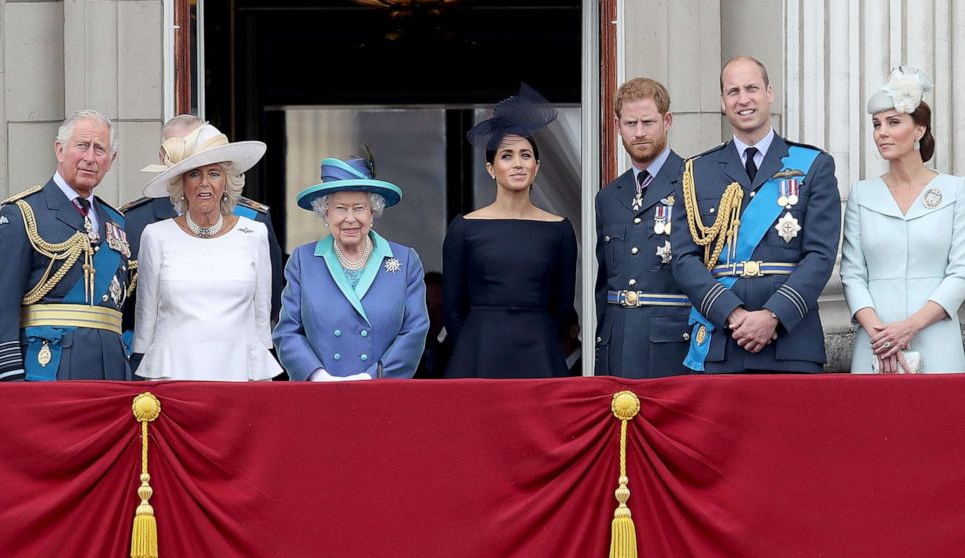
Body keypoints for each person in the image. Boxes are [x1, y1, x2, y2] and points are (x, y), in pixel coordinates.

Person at [671, 56, 841, 373]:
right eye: (733, 91)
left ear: (769, 93)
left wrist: (773, 315)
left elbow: (820, 255)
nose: (743, 99)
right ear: (723, 101)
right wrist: (732, 315)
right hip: (722, 341)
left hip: (791, 343)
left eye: (752, 88)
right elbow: (683, 259)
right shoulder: (697, 171)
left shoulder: (813, 165)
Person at [841, 66, 965, 374]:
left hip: (936, 337)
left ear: (919, 129)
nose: (882, 132)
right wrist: (880, 333)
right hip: (875, 341)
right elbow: (852, 273)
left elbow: (961, 273)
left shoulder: (953, 190)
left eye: (893, 122)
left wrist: (910, 327)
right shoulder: (862, 194)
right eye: (876, 124)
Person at [0, 110, 133, 381]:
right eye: (82, 146)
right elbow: (0, 306)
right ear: (60, 150)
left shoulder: (117, 222)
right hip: (47, 369)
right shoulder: (24, 213)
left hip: (111, 373)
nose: (90, 158)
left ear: (111, 160)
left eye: (100, 149)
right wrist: (9, 377)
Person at [443, 85, 577, 378]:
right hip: (478, 353)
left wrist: (537, 333)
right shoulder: (464, 228)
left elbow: (563, 306)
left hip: (540, 353)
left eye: (525, 155)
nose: (517, 163)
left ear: (537, 166)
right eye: (507, 155)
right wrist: (476, 341)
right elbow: (452, 308)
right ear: (491, 168)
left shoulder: (560, 229)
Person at [132, 124, 283, 380]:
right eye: (193, 174)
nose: (204, 184)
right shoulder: (155, 235)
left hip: (239, 374)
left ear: (227, 181)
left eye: (214, 173)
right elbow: (145, 321)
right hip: (174, 376)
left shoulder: (254, 234)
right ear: (181, 183)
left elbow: (261, 324)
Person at [273, 153, 429, 381]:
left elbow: (414, 331)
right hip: (321, 393)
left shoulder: (405, 261)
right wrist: (317, 376)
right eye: (340, 208)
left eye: (359, 208)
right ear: (325, 213)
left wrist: (372, 377)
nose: (350, 219)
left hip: (382, 392)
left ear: (372, 212)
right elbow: (287, 332)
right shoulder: (303, 260)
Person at [595, 77, 692, 378]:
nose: (639, 133)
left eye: (648, 122)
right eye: (630, 123)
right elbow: (604, 286)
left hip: (673, 347)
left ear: (667, 121)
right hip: (618, 347)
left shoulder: (695, 182)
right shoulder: (608, 197)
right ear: (617, 125)